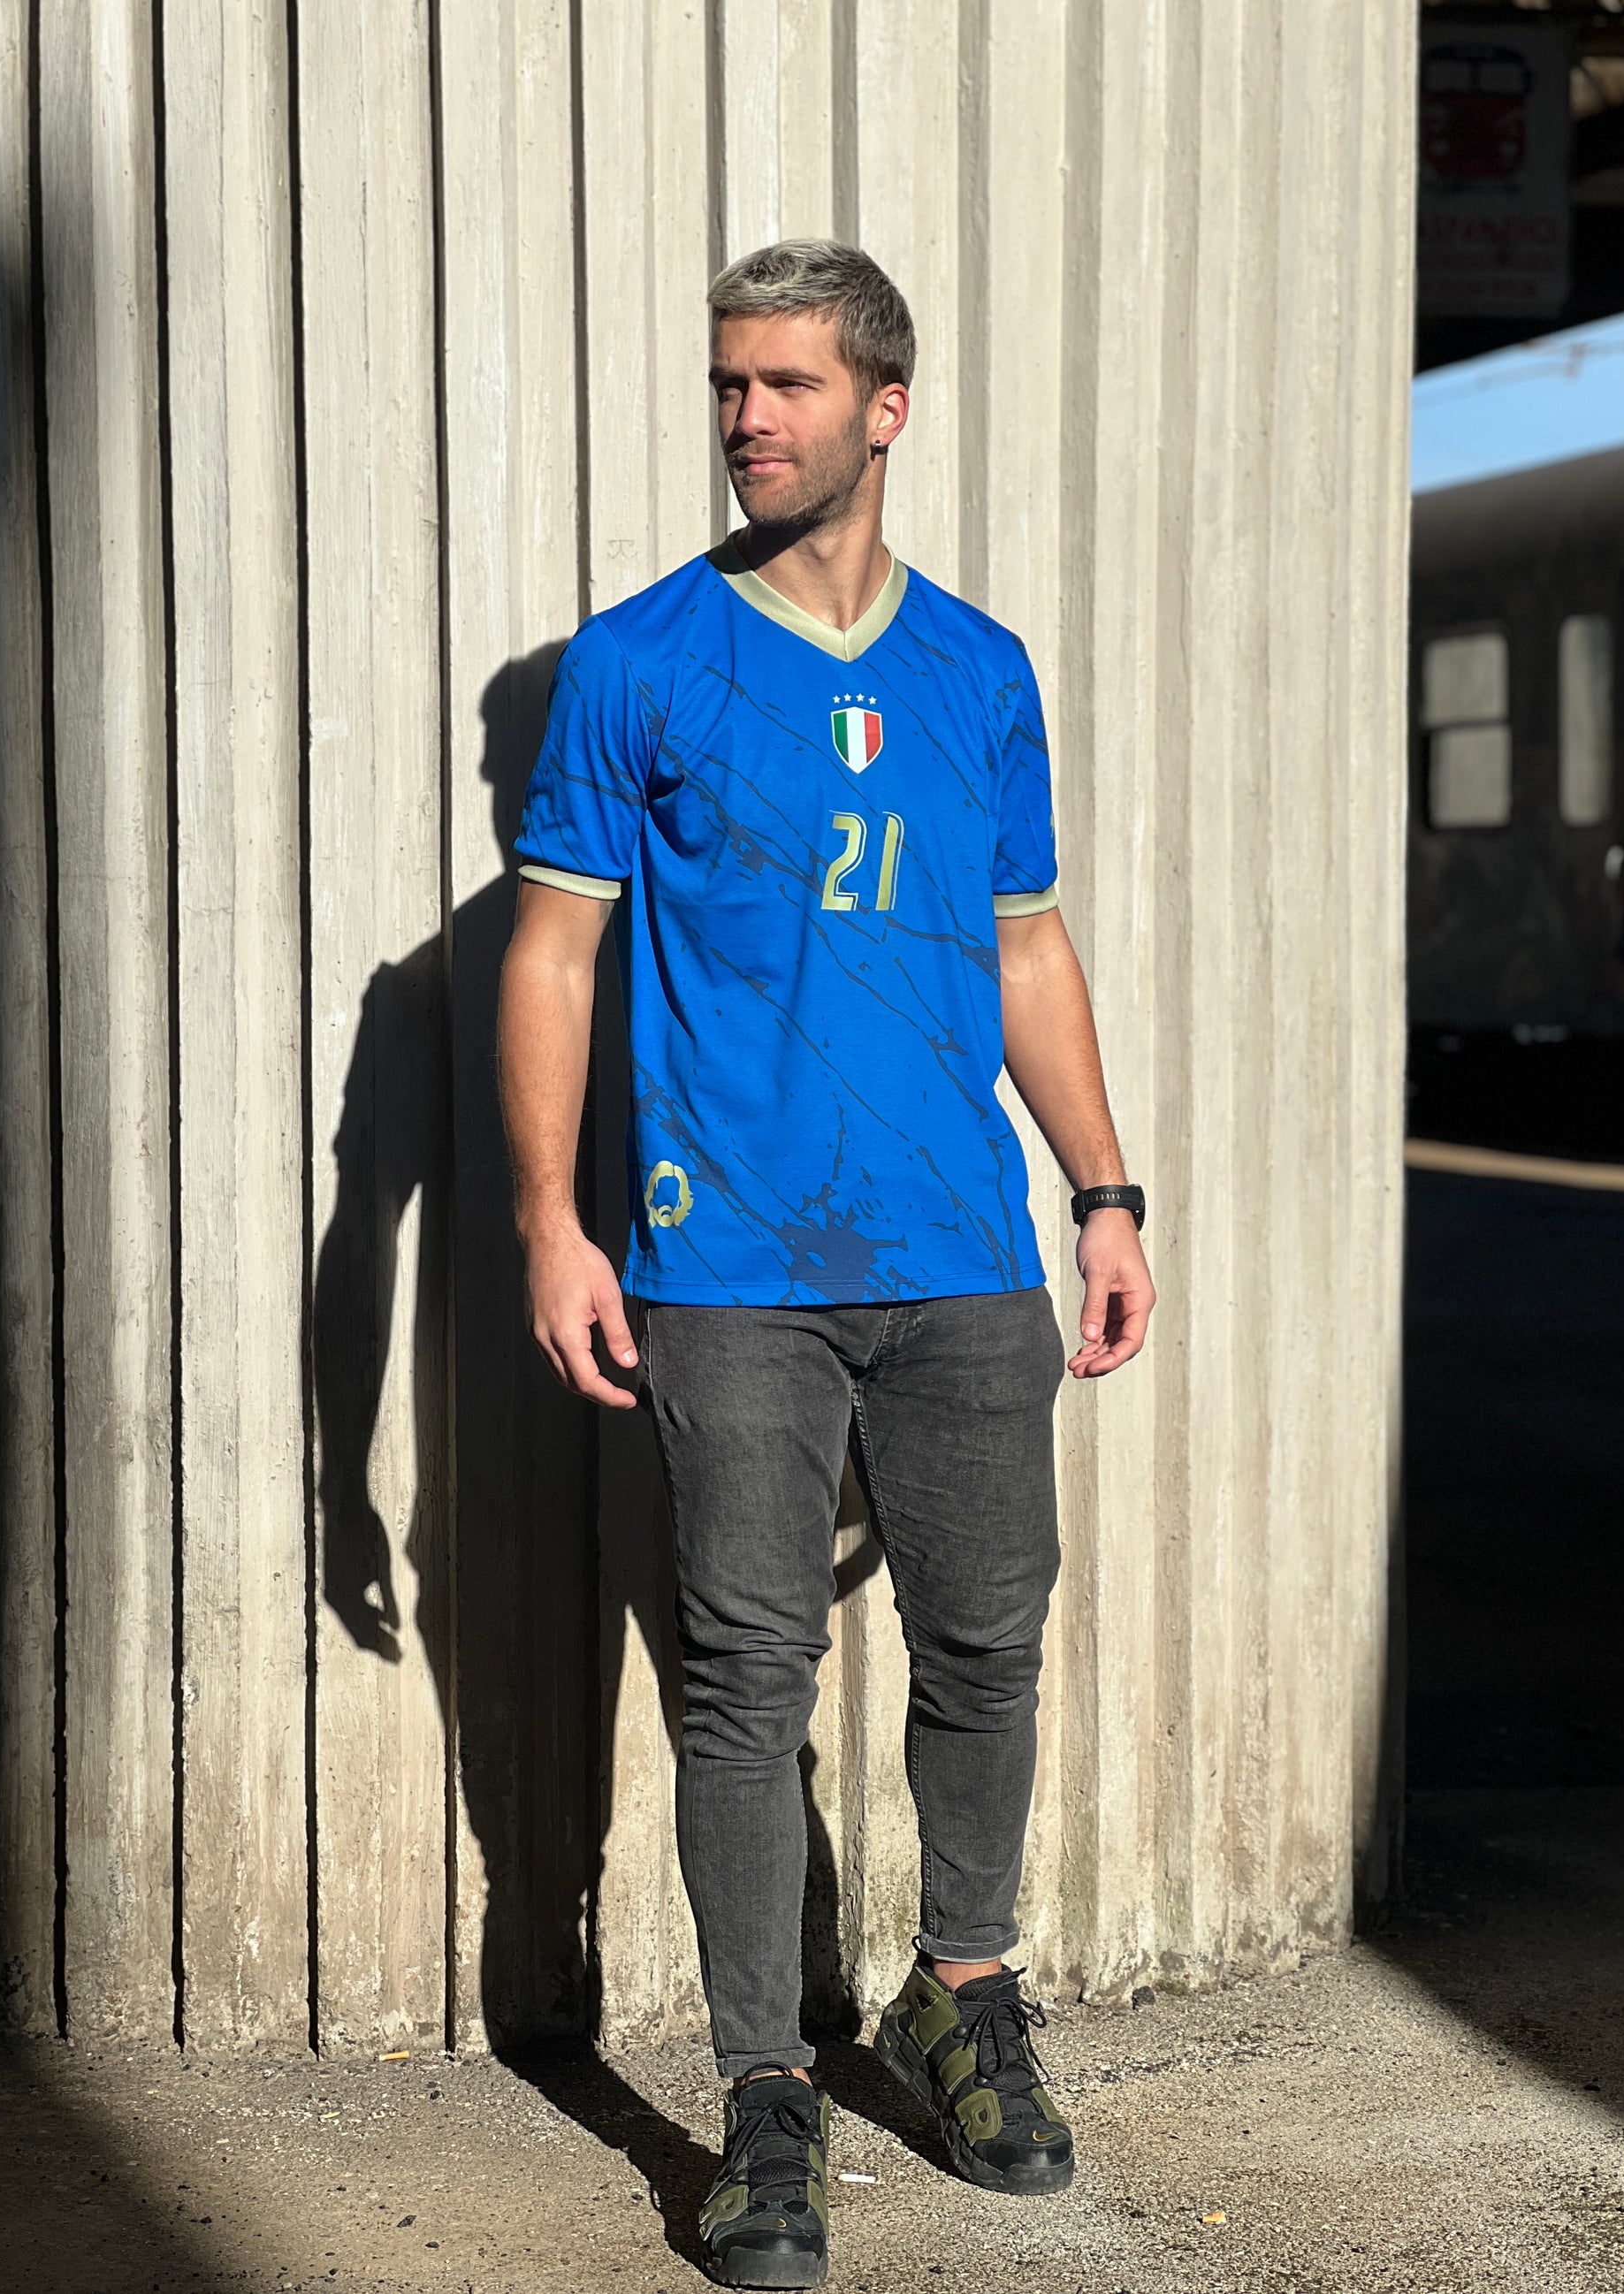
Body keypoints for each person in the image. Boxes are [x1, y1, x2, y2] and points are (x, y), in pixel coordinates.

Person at [499, 238, 1154, 2290]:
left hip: (959, 1247)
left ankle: (963, 1991)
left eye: (784, 384)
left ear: (886, 407)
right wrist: (550, 1217)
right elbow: (554, 951)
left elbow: (1024, 944)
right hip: (727, 1258)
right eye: (728, 383)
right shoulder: (639, 661)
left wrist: (1104, 1189)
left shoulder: (980, 669)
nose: (744, 417)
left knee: (984, 1639)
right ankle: (765, 2092)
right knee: (744, 1674)